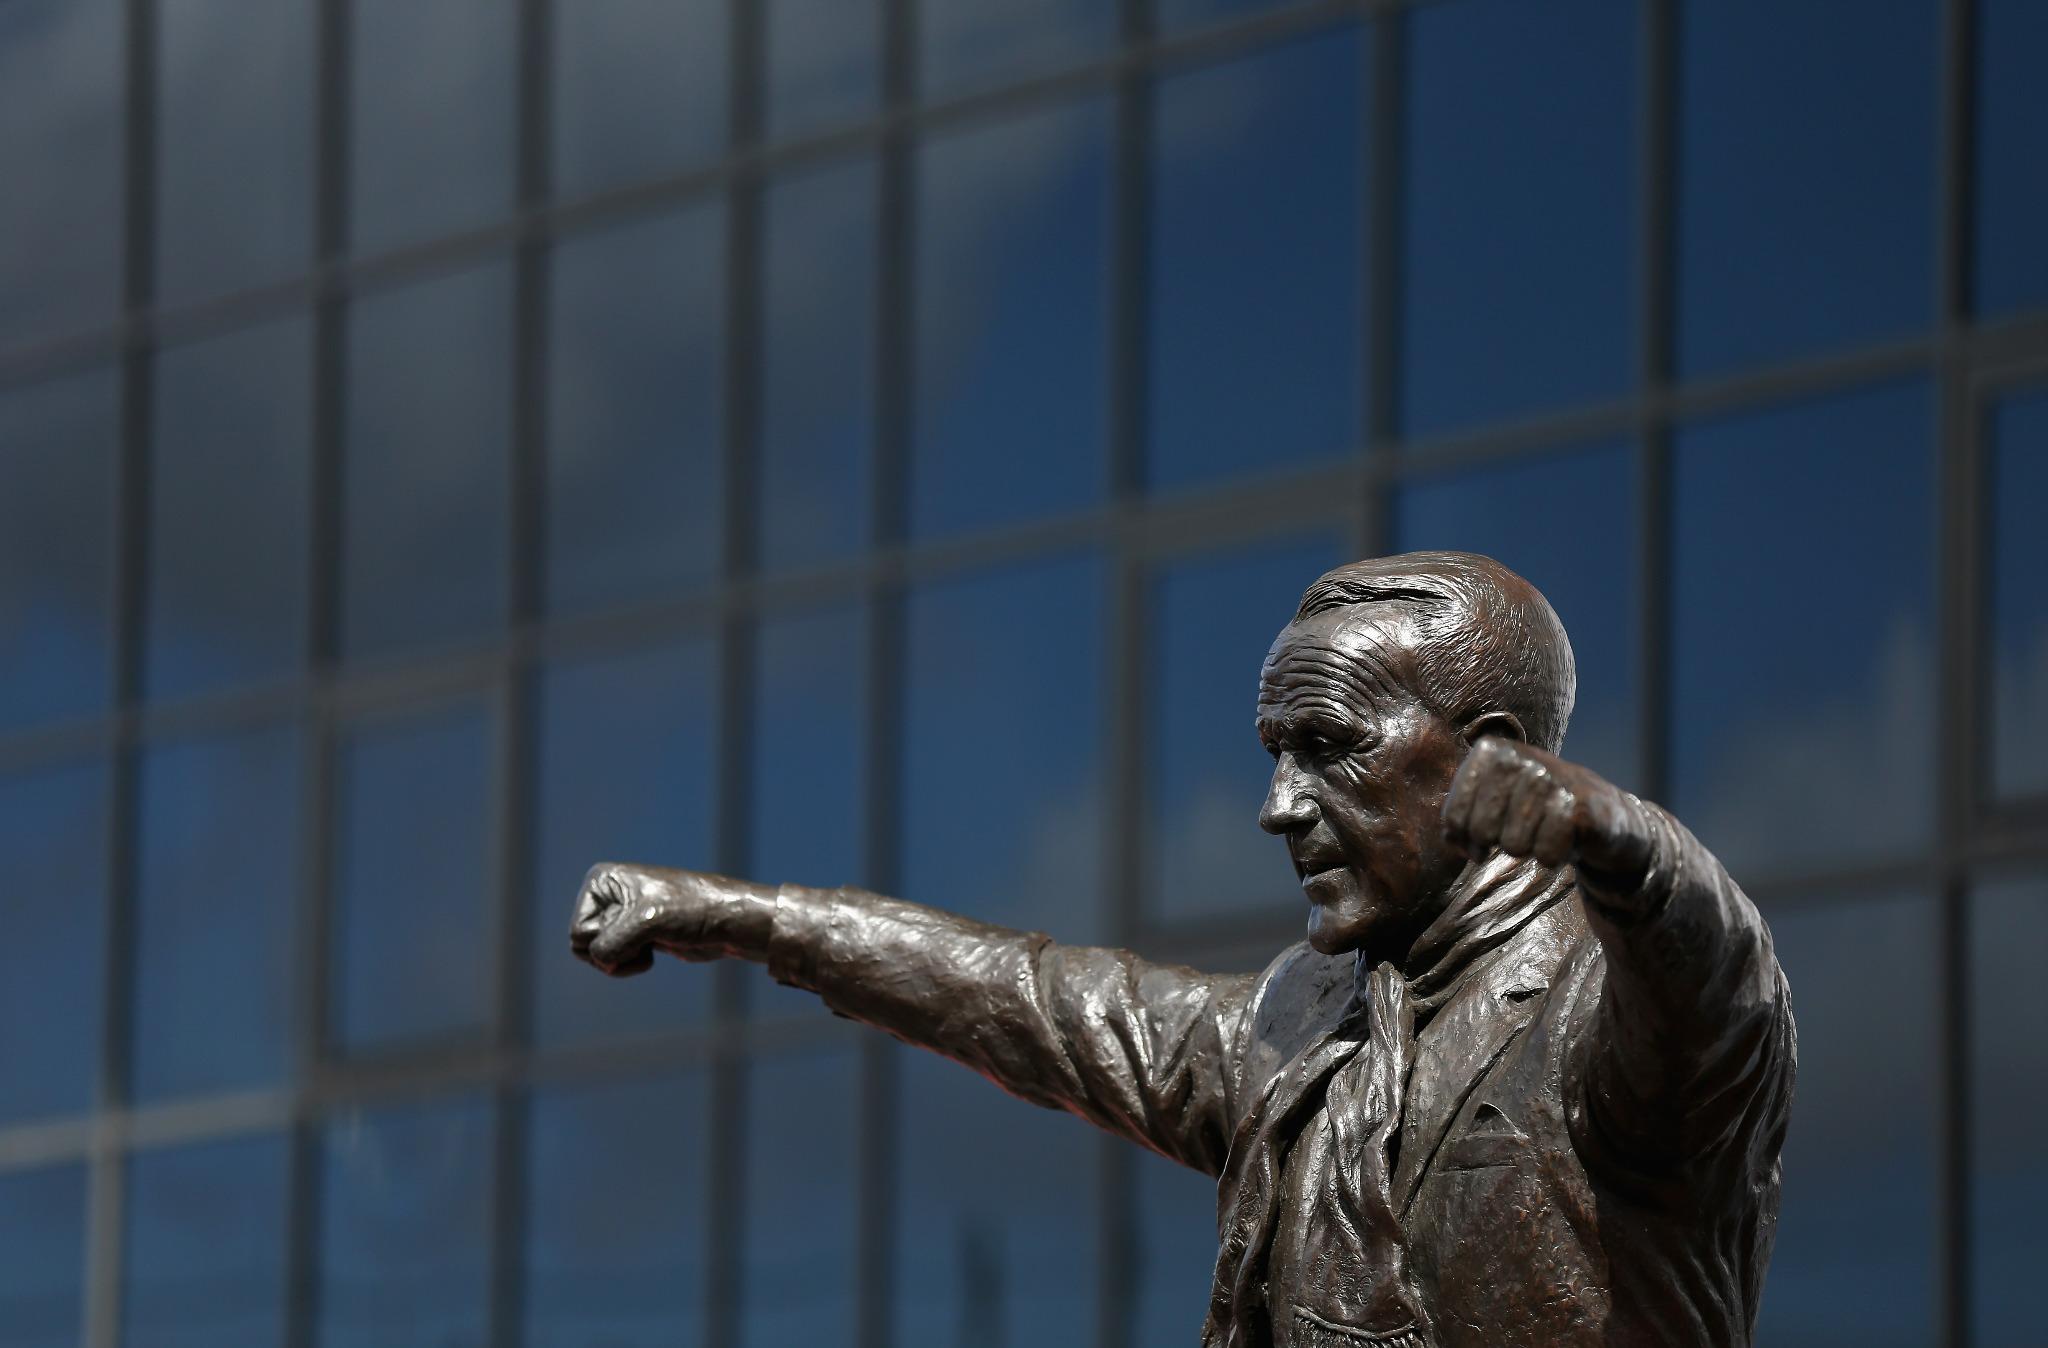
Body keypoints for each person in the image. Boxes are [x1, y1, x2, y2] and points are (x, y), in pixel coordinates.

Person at [570, 551, 1794, 1348]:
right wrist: (735, 913)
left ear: (1485, 756)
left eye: (1327, 748)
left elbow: (1715, 977)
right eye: (1273, 751)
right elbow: (1028, 998)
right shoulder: (1300, 1017)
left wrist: (1620, 841)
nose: (1277, 804)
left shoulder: (1612, 1013)